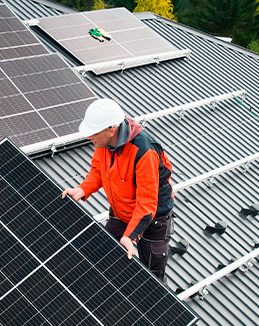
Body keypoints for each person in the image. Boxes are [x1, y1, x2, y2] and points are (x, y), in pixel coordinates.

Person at [62, 98, 175, 282]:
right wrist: (82, 190)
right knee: (106, 252)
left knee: (152, 276)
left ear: (111, 130)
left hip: (154, 220)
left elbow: (146, 204)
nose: (88, 138)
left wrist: (130, 236)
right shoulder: (103, 144)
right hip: (122, 212)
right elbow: (98, 170)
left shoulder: (144, 151)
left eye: (93, 133)